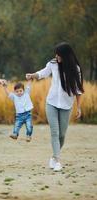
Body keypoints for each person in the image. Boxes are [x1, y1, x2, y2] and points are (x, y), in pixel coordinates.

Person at [26, 42, 84, 172]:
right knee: (55, 132)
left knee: (62, 135)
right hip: (51, 103)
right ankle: (58, 161)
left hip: (66, 105)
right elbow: (42, 73)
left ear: (65, 55)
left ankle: (53, 156)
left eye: (58, 54)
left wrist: (78, 107)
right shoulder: (53, 64)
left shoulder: (75, 69)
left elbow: (78, 91)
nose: (56, 56)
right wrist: (32, 75)